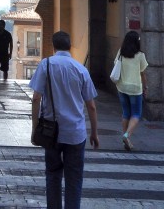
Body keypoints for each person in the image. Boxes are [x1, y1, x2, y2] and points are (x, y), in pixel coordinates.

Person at [30, 30, 99, 209]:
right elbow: (91, 105)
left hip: (51, 133)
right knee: (74, 178)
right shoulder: (81, 69)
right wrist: (94, 133)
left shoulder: (45, 65)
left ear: (53, 47)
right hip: (76, 133)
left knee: (52, 175)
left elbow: (36, 98)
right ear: (70, 47)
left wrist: (35, 128)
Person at [112, 28, 148, 151]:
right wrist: (145, 87)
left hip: (122, 87)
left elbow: (116, 64)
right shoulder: (140, 55)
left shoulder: (120, 53)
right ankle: (127, 135)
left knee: (126, 113)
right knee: (136, 114)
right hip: (135, 88)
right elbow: (143, 73)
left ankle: (125, 139)